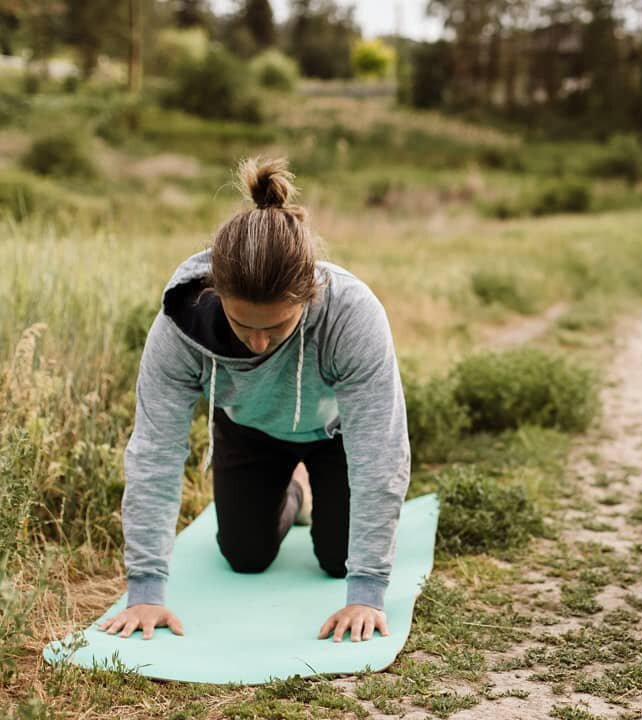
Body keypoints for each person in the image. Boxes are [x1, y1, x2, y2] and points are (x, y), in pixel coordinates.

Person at [100, 158, 410, 643]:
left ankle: (314, 485)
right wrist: (145, 590)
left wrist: (367, 591)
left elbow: (379, 455)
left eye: (277, 327)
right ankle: (296, 492)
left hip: (335, 435)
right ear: (216, 293)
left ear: (308, 297)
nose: (259, 343)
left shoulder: (352, 314)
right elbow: (154, 455)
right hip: (248, 430)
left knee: (336, 561)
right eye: (245, 325)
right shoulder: (181, 328)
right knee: (245, 556)